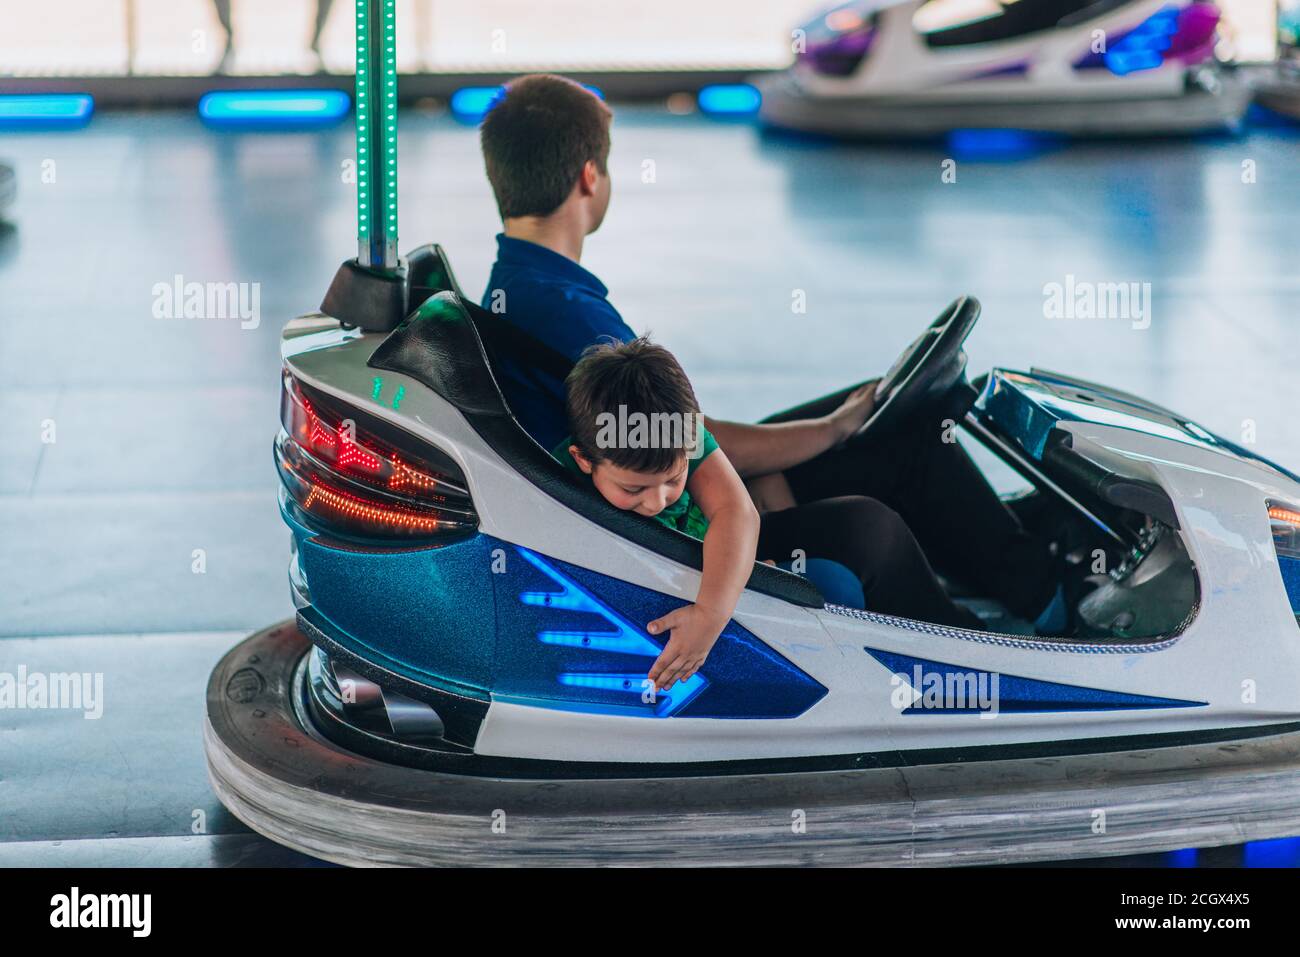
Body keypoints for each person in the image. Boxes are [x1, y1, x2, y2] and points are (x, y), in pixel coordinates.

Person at [479, 74, 1068, 635]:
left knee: (886, 418)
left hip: (650, 484)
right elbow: (685, 439)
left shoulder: (524, 285)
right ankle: (1033, 622)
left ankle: (1022, 582)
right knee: (891, 481)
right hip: (661, 518)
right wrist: (832, 430)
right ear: (589, 177)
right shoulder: (566, 314)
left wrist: (831, 429)